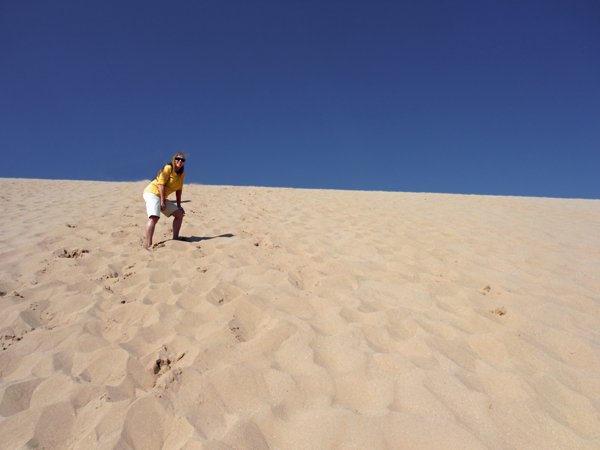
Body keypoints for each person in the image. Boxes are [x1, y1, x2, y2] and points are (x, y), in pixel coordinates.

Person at [143, 152, 187, 246]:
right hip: (152, 192)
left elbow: (179, 190)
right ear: (174, 160)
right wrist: (162, 201)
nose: (180, 161)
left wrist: (179, 205)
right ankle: (148, 245)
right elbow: (160, 184)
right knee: (154, 217)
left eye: (182, 160)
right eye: (178, 159)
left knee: (179, 214)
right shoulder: (168, 168)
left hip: (160, 196)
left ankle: (175, 239)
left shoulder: (181, 174)